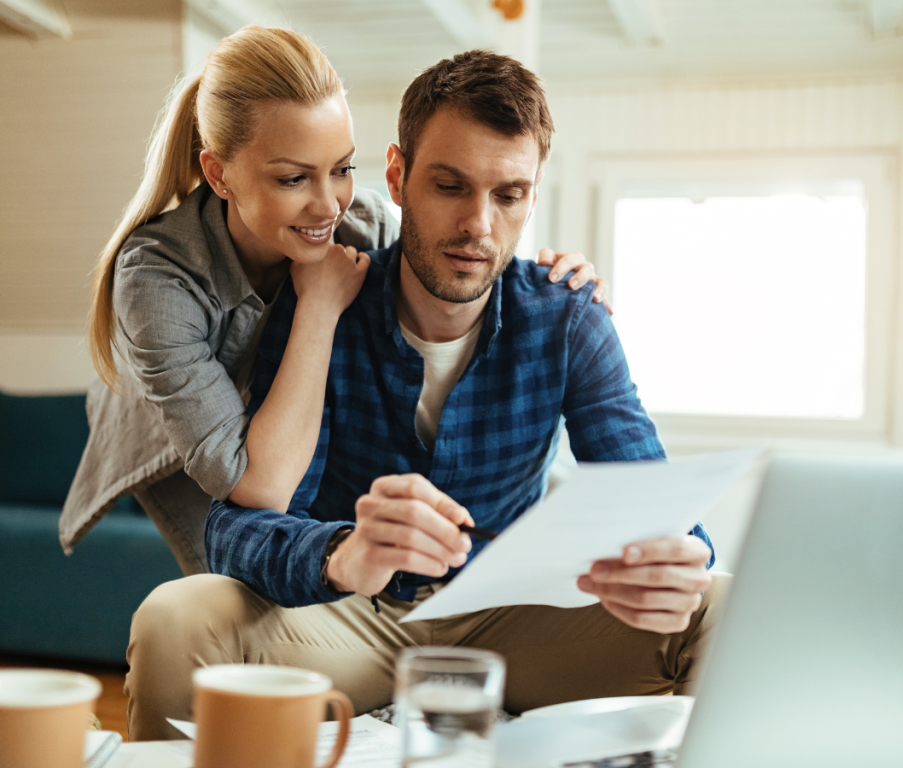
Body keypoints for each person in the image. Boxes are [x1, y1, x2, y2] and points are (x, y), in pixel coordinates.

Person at [125, 49, 724, 742]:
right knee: (174, 617)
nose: (479, 225)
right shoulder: (323, 299)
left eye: (508, 195)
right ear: (398, 176)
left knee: (721, 602)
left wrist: (680, 559)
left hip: (510, 614)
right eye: (450, 186)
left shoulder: (568, 320)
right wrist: (341, 554)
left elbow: (652, 500)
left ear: (533, 195)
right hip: (353, 615)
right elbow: (238, 527)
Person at [59, 26, 606, 576]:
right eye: (294, 178)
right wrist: (318, 305)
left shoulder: (361, 225)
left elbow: (454, 260)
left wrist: (553, 289)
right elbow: (262, 486)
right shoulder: (157, 279)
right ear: (219, 174)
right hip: (182, 450)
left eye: (342, 168)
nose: (328, 207)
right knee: (236, 584)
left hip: (290, 422)